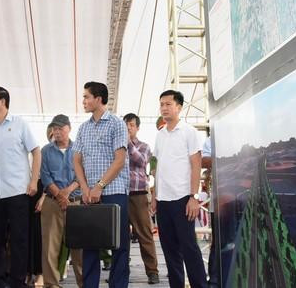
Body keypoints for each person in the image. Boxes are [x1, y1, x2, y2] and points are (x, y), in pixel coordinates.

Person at [0, 86, 41, 288]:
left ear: (2, 101)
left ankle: (17, 281)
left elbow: (36, 151)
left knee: (19, 240)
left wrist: (34, 181)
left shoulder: (20, 124)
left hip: (19, 191)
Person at [73, 82, 130, 288]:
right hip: (88, 194)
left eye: (86, 97)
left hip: (114, 192)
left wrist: (99, 186)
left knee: (119, 245)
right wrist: (85, 188)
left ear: (98, 99)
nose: (83, 101)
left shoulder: (117, 123)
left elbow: (119, 160)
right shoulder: (83, 128)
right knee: (89, 245)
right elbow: (76, 160)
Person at [151, 90, 207, 288]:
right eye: (161, 104)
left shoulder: (189, 132)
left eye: (168, 104)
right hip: (163, 201)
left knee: (189, 248)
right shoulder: (160, 135)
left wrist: (194, 196)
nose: (164, 108)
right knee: (169, 250)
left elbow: (196, 165)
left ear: (179, 107)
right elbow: (157, 168)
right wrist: (154, 196)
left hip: (183, 199)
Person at [40, 114, 83, 288]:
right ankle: (51, 284)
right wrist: (59, 195)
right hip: (52, 203)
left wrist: (67, 192)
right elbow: (45, 177)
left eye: (60, 128)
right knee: (50, 247)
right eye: (54, 128)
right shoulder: (45, 151)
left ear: (69, 128)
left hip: (76, 203)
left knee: (79, 247)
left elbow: (83, 175)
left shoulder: (79, 149)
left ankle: (83, 283)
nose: (57, 132)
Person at [123, 113, 160, 285]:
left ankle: (152, 271)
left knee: (144, 234)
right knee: (119, 237)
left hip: (138, 194)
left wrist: (128, 143)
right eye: (125, 125)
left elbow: (142, 161)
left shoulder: (144, 146)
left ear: (137, 128)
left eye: (131, 125)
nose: (128, 127)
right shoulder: (116, 145)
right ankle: (120, 272)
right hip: (120, 193)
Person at [202, 131, 219, 288]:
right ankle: (214, 281)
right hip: (220, 201)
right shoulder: (211, 139)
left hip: (244, 199)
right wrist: (225, 157)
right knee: (218, 241)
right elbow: (204, 160)